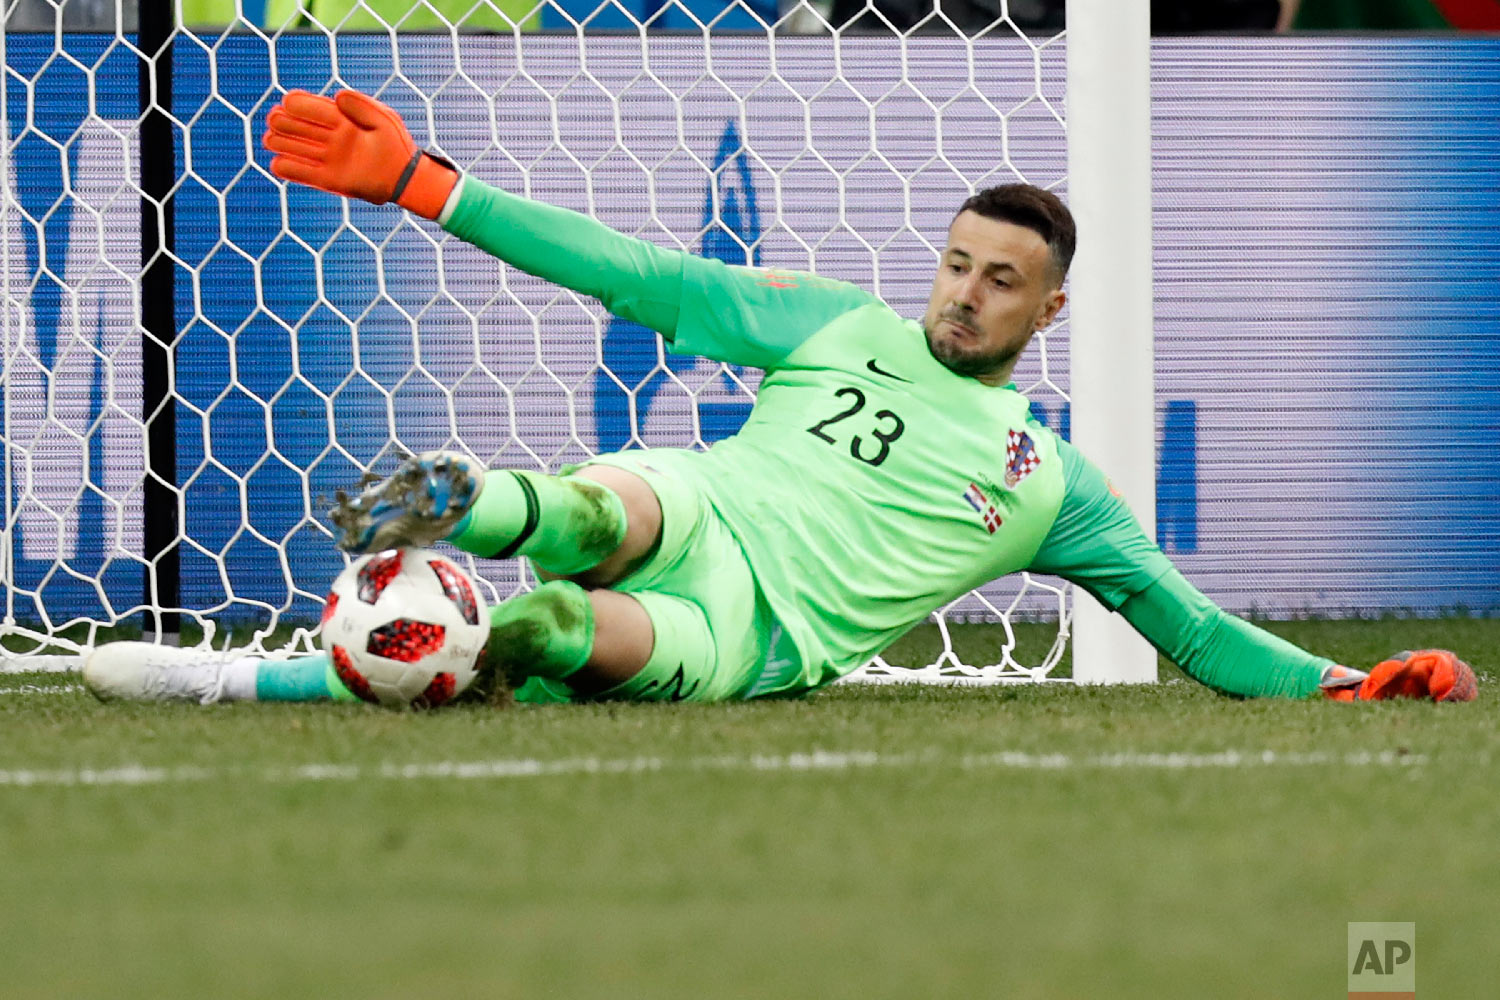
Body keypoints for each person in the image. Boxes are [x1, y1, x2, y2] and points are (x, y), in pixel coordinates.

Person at [83, 89, 1476, 707]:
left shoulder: (1053, 486)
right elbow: (631, 270)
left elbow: (1189, 626)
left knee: (591, 626)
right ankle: (483, 504)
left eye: (1001, 282)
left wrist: (1348, 681)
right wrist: (423, 185)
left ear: (1049, 312)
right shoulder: (835, 323)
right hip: (702, 502)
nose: (964, 293)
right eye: (955, 263)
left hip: (754, 627)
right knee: (604, 502)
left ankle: (496, 637)